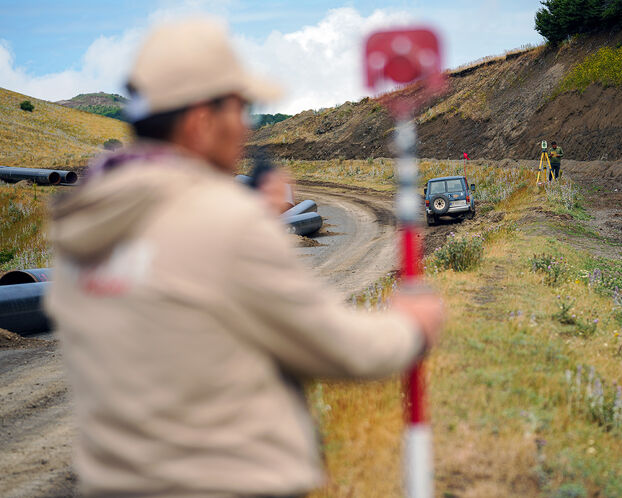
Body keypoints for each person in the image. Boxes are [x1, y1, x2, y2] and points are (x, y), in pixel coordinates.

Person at [45, 19, 443, 497]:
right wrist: (409, 327)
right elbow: (337, 346)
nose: (247, 124)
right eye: (241, 106)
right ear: (200, 120)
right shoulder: (224, 223)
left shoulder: (80, 229)